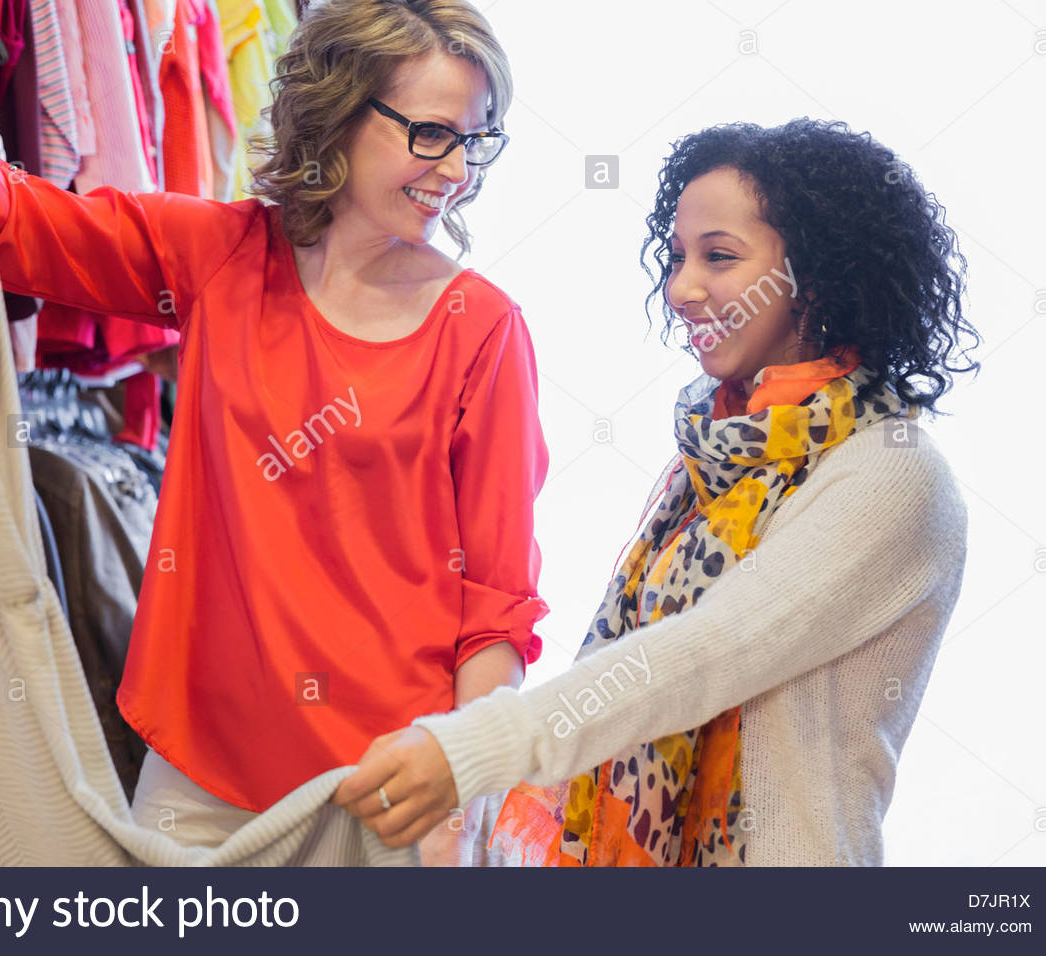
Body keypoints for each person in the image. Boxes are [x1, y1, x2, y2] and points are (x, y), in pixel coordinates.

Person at [0, 0, 548, 865]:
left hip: (387, 790)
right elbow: (9, 219)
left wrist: (459, 781)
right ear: (341, 114)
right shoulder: (223, 259)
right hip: (197, 780)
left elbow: (496, 609)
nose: (458, 169)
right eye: (433, 135)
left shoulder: (484, 330)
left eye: (477, 139)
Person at [334, 119, 980, 866]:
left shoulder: (894, 475)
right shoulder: (712, 455)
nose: (681, 288)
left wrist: (476, 746)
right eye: (676, 258)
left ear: (820, 275)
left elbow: (705, 653)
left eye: (719, 257)